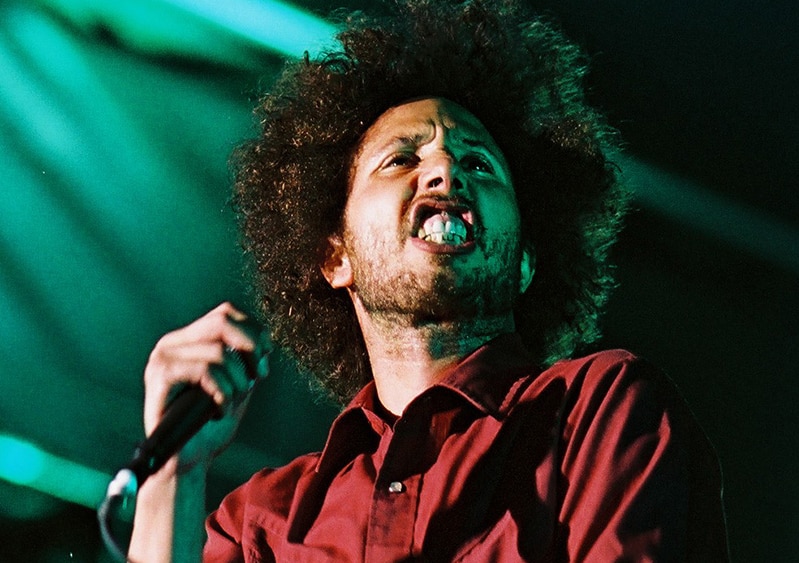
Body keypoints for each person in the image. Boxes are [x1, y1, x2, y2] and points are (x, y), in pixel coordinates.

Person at [128, 0, 729, 561]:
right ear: (335, 256)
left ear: (524, 261)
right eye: (402, 158)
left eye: (478, 163)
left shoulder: (599, 413)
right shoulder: (261, 522)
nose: (444, 169)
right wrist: (172, 477)